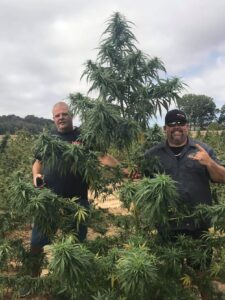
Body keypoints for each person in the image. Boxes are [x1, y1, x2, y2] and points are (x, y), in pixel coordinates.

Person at [20, 101, 121, 297]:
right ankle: (31, 280)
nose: (61, 118)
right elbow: (37, 163)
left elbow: (103, 157)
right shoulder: (48, 139)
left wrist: (123, 169)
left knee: (76, 245)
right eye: (57, 115)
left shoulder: (84, 137)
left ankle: (72, 286)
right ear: (53, 119)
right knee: (37, 243)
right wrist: (35, 176)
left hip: (77, 203)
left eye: (64, 114)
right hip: (48, 201)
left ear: (71, 114)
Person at [144, 109, 225, 300]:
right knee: (170, 277)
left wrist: (209, 163)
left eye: (180, 124)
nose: (176, 128)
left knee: (202, 276)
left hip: (199, 225)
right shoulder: (153, 155)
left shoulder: (203, 150)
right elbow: (139, 181)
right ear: (165, 129)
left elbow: (222, 177)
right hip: (167, 225)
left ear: (187, 126)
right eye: (171, 125)